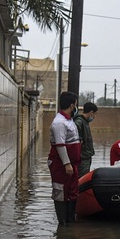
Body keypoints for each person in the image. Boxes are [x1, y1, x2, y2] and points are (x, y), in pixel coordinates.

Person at [48, 91, 82, 225]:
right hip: (60, 164)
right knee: (60, 190)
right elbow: (60, 145)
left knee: (72, 191)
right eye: (76, 105)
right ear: (72, 105)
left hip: (72, 163)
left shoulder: (69, 121)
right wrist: (67, 164)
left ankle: (70, 220)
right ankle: (62, 223)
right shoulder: (59, 123)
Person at [74, 101, 98, 178]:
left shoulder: (85, 122)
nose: (94, 116)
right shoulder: (79, 122)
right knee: (82, 179)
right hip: (82, 157)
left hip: (86, 156)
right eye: (95, 114)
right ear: (91, 112)